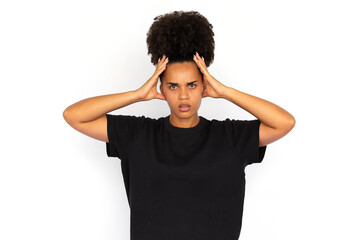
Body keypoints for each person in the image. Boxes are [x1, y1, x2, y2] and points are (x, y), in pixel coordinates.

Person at [63, 10, 295, 240]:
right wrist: (136, 95)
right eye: (173, 86)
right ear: (161, 88)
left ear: (205, 86)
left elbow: (284, 123)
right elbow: (74, 116)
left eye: (192, 85)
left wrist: (226, 92)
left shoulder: (229, 137)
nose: (183, 96)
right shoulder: (138, 135)